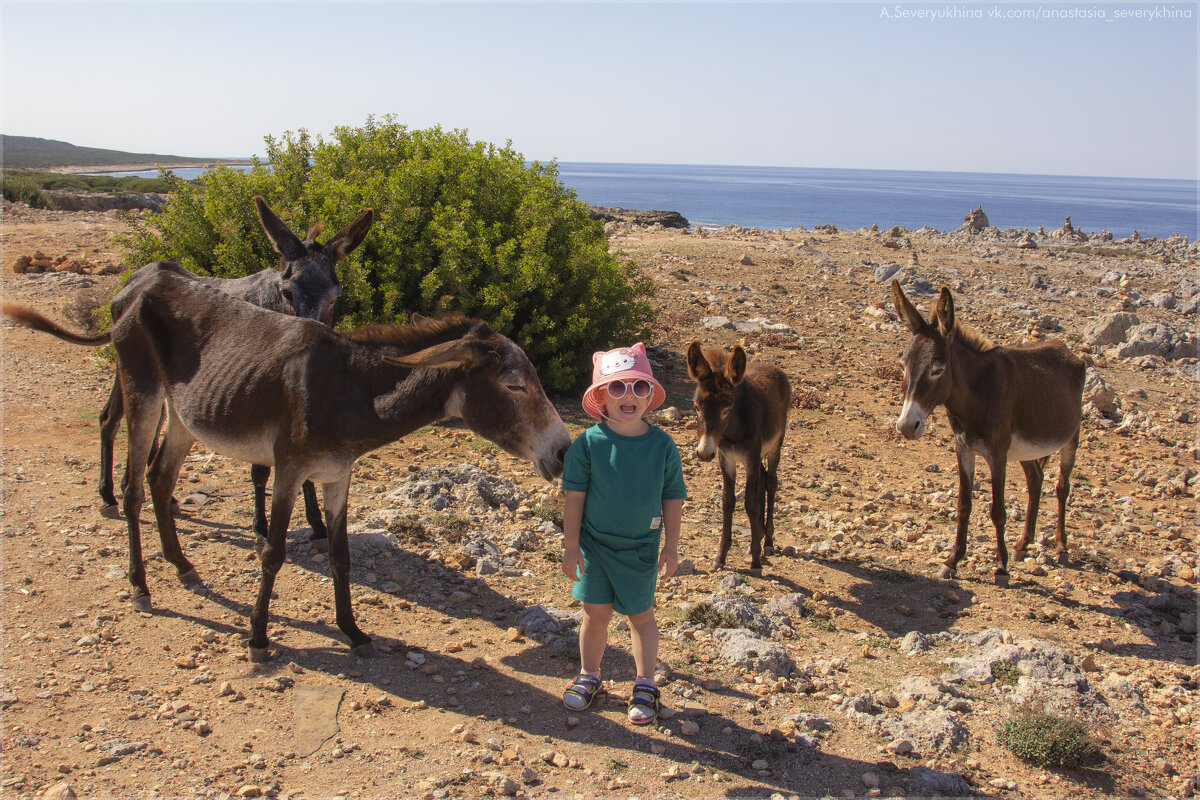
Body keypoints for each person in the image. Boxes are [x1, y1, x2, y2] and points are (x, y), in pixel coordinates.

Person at [560, 343, 687, 725]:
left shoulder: (664, 446)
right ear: (600, 396)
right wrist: (570, 548)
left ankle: (646, 683)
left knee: (640, 615)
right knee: (594, 614)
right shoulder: (587, 444)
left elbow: (673, 499)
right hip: (594, 546)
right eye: (617, 388)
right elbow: (574, 499)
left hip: (640, 549)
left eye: (638, 387)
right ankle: (589, 676)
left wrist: (672, 547)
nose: (628, 396)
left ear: (650, 395)